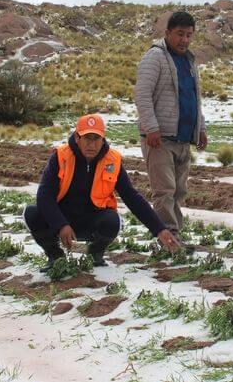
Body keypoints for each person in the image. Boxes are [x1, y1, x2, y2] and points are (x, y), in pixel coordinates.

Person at [23, 114, 180, 271]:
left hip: (91, 221)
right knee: (32, 213)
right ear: (77, 138)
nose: (92, 144)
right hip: (62, 219)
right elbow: (44, 196)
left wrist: (159, 229)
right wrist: (60, 224)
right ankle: (55, 256)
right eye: (87, 138)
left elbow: (132, 198)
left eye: (96, 138)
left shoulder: (112, 160)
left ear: (103, 139)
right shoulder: (60, 157)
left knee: (112, 220)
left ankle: (95, 254)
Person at [134, 11, 207, 242]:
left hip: (183, 138)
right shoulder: (154, 57)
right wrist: (151, 127)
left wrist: (201, 128)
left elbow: (195, 98)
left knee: (178, 191)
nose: (184, 40)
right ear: (167, 33)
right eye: (179, 34)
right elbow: (142, 94)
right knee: (164, 190)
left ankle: (175, 233)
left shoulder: (189, 61)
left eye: (189, 35)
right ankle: (168, 238)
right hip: (160, 138)